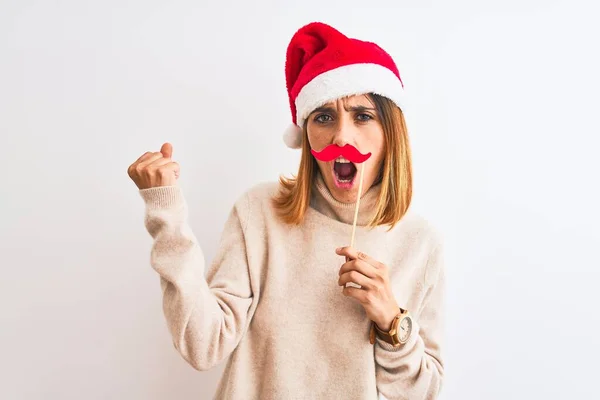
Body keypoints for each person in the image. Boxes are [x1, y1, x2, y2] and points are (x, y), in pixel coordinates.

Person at [127, 21, 445, 400]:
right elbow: (203, 344)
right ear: (306, 132)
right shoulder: (258, 213)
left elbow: (422, 393)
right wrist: (167, 217)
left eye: (362, 115)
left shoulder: (420, 243)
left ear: (390, 132)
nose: (341, 136)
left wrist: (393, 320)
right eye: (324, 117)